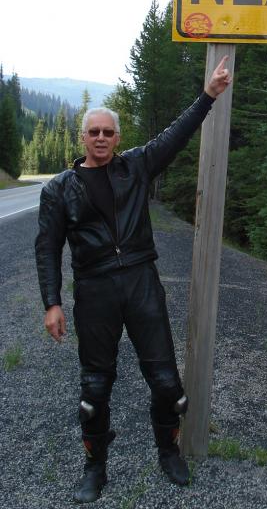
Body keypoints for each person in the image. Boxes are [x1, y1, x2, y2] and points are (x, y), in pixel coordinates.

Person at [35, 56, 232, 504]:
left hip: (142, 282)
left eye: (108, 132)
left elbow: (177, 135)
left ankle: (168, 450)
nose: (101, 138)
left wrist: (210, 95)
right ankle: (95, 466)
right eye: (94, 132)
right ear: (82, 137)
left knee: (166, 381)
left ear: (117, 138)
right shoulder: (59, 189)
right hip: (95, 290)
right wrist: (52, 302)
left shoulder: (135, 166)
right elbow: (47, 248)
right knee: (94, 388)